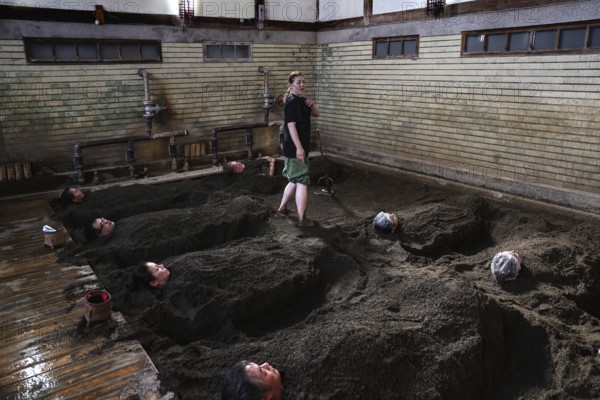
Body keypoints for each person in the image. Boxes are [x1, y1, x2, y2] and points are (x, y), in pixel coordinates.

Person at [277, 71, 320, 227]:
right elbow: (291, 125)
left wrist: (312, 104)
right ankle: (302, 219)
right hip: (296, 148)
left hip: (297, 147)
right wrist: (299, 148)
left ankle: (282, 208)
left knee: (295, 179)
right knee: (302, 181)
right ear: (290, 85)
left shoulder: (301, 101)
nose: (302, 84)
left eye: (303, 81)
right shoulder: (293, 102)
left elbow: (317, 114)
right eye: (298, 82)